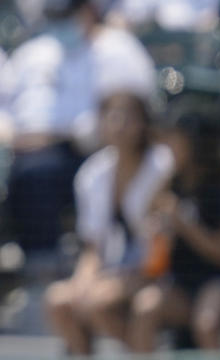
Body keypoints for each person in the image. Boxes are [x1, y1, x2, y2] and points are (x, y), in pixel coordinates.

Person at [0, 0, 157, 257]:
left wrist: (58, 136)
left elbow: (137, 110)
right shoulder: (32, 53)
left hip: (99, 150)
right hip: (26, 150)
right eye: (55, 17)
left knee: (38, 173)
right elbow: (0, 107)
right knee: (20, 172)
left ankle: (57, 260)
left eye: (67, 15)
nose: (61, 23)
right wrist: (3, 132)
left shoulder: (120, 49)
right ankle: (38, 262)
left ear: (89, 11)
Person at [44, 59, 173, 355]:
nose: (118, 125)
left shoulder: (162, 165)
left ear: (143, 122)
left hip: (159, 271)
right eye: (112, 117)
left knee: (97, 304)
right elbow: (93, 246)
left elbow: (161, 243)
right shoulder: (92, 174)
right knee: (60, 300)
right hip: (113, 272)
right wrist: (83, 281)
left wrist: (120, 282)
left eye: (127, 117)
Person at [128, 108, 220, 352]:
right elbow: (146, 214)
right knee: (145, 309)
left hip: (219, 281)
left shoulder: (219, 191)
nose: (169, 146)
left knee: (207, 324)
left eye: (176, 139)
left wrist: (185, 225)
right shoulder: (174, 182)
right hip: (181, 281)